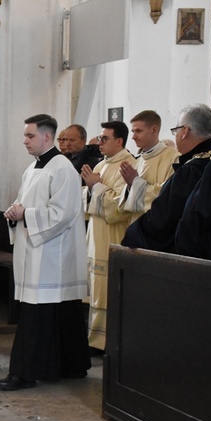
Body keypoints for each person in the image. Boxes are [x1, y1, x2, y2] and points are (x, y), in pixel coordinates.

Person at [0, 114, 89, 390]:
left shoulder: (63, 169)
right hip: (36, 251)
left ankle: (24, 374)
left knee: (38, 317)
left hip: (51, 256)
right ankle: (71, 365)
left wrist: (26, 214)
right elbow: (24, 203)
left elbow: (62, 214)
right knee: (59, 315)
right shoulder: (33, 167)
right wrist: (15, 212)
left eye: (29, 135)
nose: (24, 141)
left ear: (47, 137)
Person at [122, 104, 211, 253]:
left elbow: (164, 216)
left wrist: (132, 235)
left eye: (176, 131)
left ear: (185, 132)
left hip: (191, 255)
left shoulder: (191, 170)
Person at [81, 121, 135, 353]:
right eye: (99, 138)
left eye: (104, 138)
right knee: (95, 287)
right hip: (95, 234)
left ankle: (106, 342)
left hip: (113, 235)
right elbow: (86, 201)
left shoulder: (128, 165)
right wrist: (90, 189)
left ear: (119, 141)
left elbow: (119, 208)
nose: (99, 143)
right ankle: (94, 338)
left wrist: (95, 188)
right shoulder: (101, 165)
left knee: (107, 289)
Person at [118, 110, 179, 223]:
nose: (133, 137)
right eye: (133, 131)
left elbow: (168, 196)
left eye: (138, 131)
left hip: (158, 228)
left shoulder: (174, 158)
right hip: (136, 225)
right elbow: (122, 207)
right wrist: (130, 186)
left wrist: (135, 182)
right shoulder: (138, 161)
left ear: (154, 130)